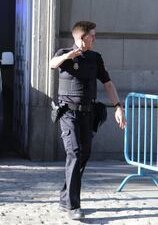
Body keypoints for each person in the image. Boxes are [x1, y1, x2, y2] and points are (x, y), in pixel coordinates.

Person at [49, 21, 126, 220]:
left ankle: (65, 197)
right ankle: (74, 206)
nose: (95, 38)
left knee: (84, 155)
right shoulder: (64, 53)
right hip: (68, 113)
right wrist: (67, 56)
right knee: (74, 153)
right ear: (81, 38)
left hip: (88, 114)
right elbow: (51, 64)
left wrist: (118, 106)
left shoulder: (95, 58)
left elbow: (108, 84)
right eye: (92, 35)